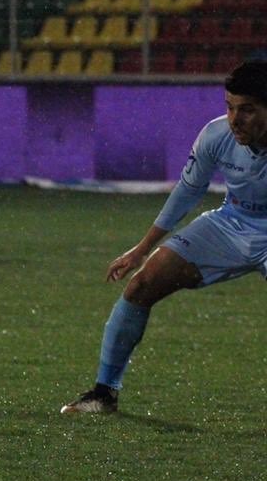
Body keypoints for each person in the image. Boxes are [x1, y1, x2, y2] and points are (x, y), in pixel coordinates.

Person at [61, 61, 267, 414]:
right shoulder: (217, 135)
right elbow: (188, 190)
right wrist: (142, 249)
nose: (235, 119)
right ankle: (103, 393)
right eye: (230, 107)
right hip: (231, 222)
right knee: (143, 284)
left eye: (247, 110)